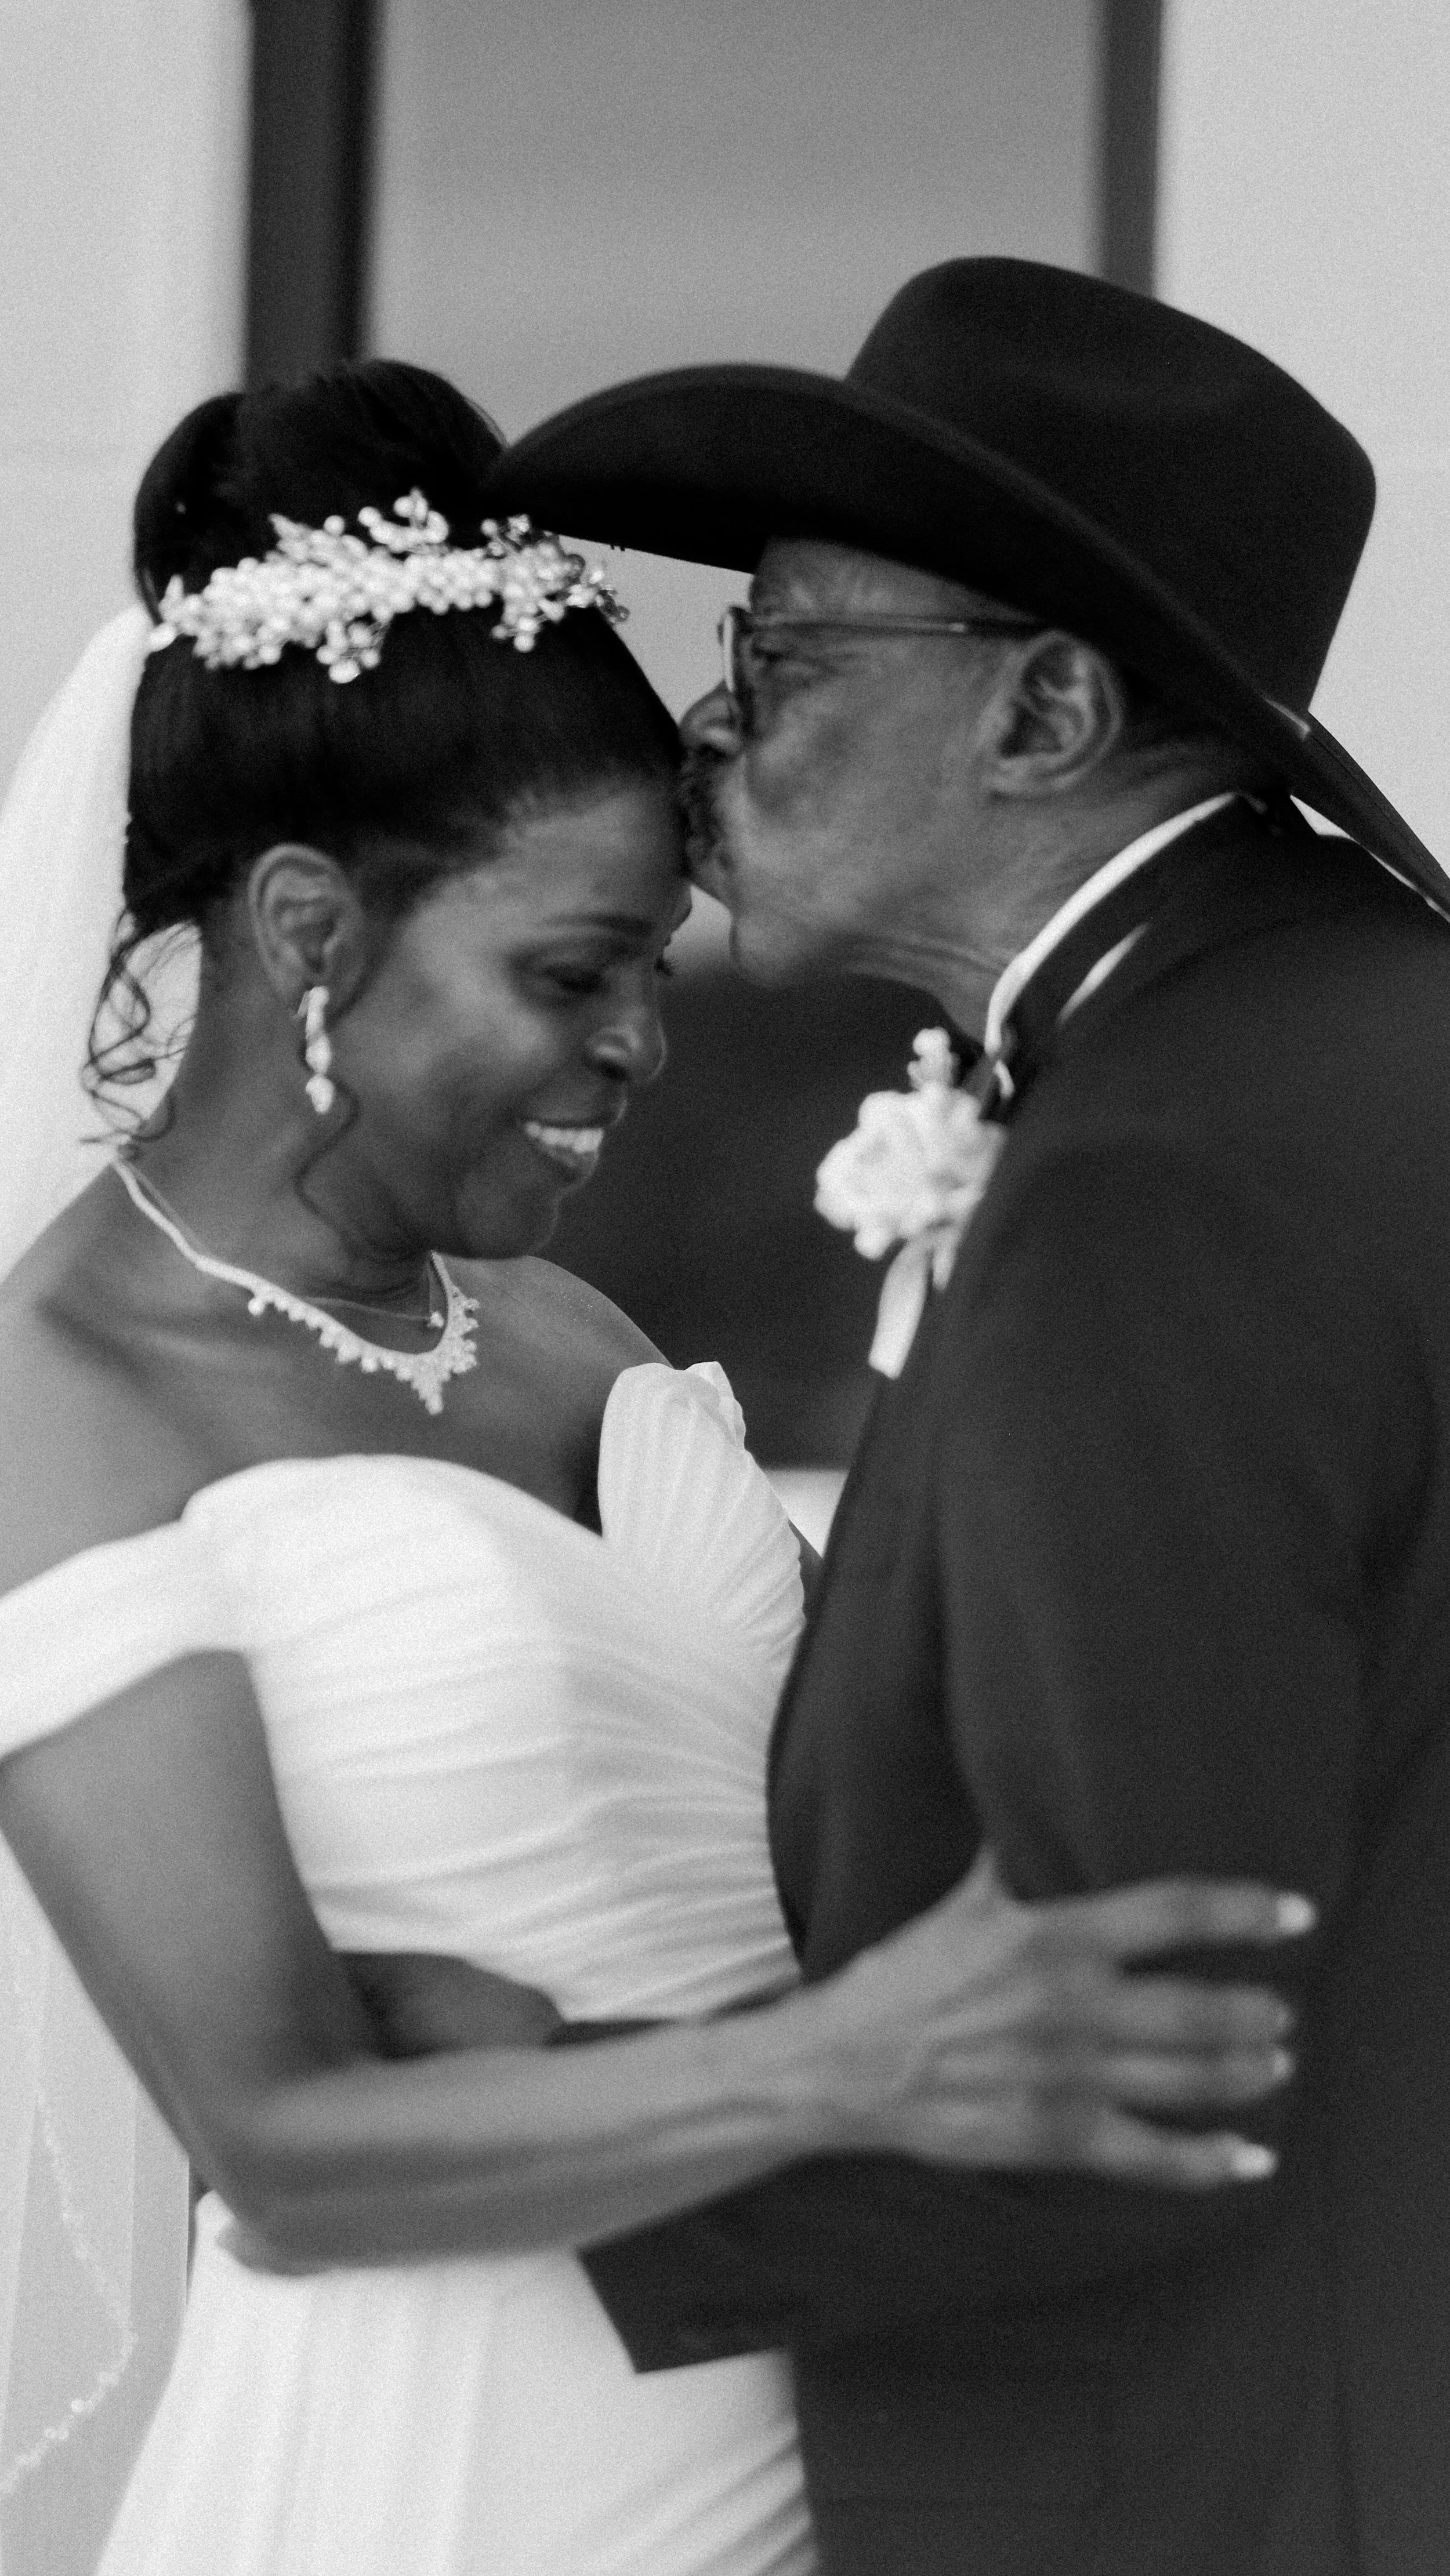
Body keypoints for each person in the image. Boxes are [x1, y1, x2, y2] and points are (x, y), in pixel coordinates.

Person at [0, 358, 1304, 2576]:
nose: (642, 1044)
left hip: (843, 2434)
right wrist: (835, 2064)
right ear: (310, 928)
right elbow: (290, 2151)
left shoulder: (578, 1337)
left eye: (656, 965)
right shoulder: (64, 1400)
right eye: (572, 969)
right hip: (454, 2477)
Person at [490, 257, 1450, 2573]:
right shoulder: (1345, 1037)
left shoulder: (1161, 1186)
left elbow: (1139, 2055)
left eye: (786, 662)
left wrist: (481, 2181)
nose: (710, 742)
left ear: (1041, 711)